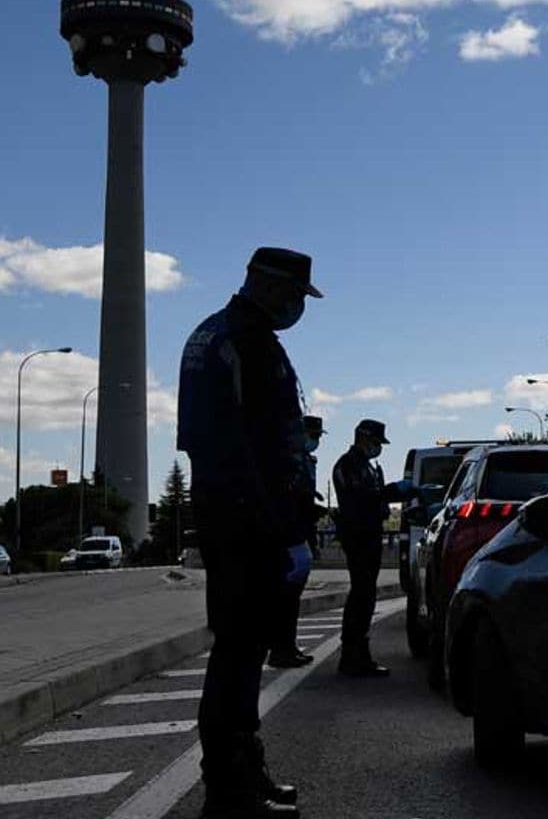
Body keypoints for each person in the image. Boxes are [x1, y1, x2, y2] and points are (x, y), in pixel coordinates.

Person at [177, 247, 318, 818]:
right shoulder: (246, 342)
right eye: (293, 296)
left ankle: (242, 774)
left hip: (231, 514)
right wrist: (281, 529)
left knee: (243, 651)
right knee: (237, 655)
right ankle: (229, 790)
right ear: (266, 285)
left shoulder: (215, 334)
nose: (296, 308)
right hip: (247, 520)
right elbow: (247, 448)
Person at [330, 418, 412, 677]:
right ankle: (353, 656)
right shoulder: (349, 465)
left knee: (365, 596)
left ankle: (358, 655)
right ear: (363, 438)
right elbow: (361, 498)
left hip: (369, 533)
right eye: (376, 442)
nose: (378, 448)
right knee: (361, 595)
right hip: (359, 535)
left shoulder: (366, 466)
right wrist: (392, 491)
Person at [268, 414, 325, 669]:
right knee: (285, 599)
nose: (314, 441)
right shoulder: (284, 461)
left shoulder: (302, 460)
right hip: (287, 535)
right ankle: (281, 649)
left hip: (299, 532)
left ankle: (288, 646)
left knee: (291, 599)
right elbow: (285, 499)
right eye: (312, 436)